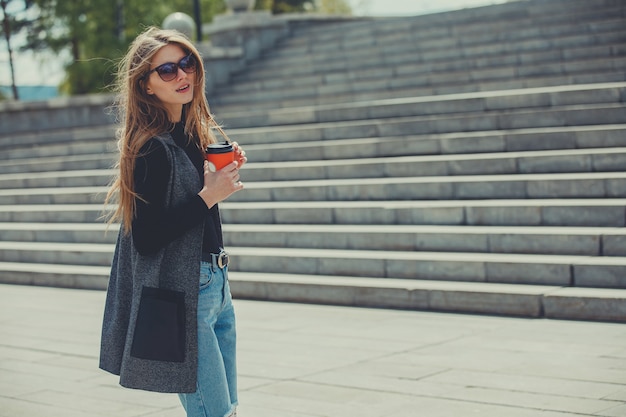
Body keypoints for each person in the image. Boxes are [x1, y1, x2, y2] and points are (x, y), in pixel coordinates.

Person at [99, 26, 246, 417]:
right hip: (188, 293)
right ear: (145, 85)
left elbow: (197, 213)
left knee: (227, 409)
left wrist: (217, 176)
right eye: (167, 71)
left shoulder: (191, 135)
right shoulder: (149, 148)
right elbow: (146, 238)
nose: (183, 76)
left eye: (187, 64)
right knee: (215, 413)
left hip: (218, 285)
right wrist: (208, 195)